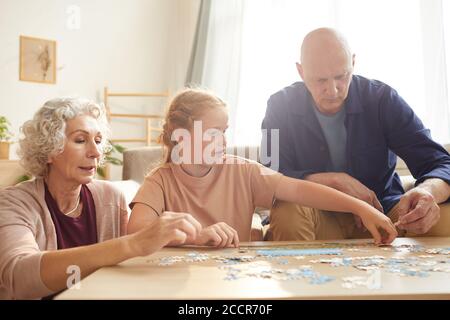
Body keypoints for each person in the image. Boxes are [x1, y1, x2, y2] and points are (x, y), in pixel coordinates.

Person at [127, 88, 397, 248]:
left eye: (224, 131)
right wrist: (196, 237)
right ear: (180, 135)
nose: (223, 140)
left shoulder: (242, 171)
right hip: (180, 285)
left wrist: (360, 207)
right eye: (213, 132)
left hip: (237, 282)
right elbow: (136, 232)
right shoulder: (160, 181)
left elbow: (301, 191)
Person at [0, 97, 202, 299]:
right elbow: (18, 276)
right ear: (49, 149)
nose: (96, 152)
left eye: (98, 141)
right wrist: (131, 244)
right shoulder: (13, 203)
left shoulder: (111, 198)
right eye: (80, 140)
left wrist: (198, 237)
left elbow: (134, 258)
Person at [261, 27, 450, 241]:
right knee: (288, 211)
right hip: (317, 215)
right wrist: (331, 181)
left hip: (384, 213)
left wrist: (428, 191)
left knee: (443, 215)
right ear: (301, 71)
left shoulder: (382, 99)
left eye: (341, 76)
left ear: (353, 62)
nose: (332, 90)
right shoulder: (278, 105)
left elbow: (441, 163)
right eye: (320, 80)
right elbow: (266, 176)